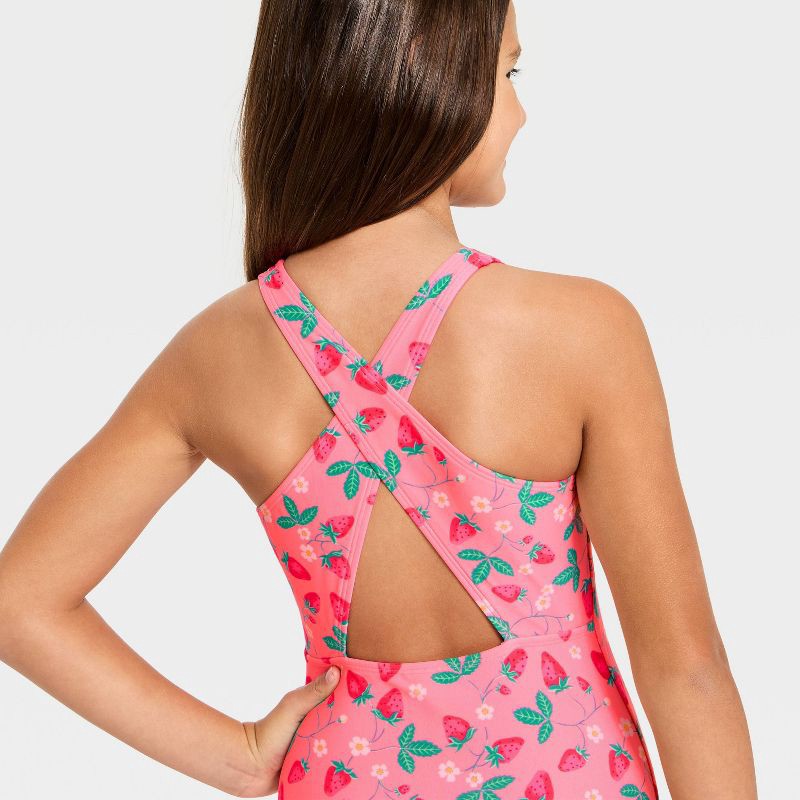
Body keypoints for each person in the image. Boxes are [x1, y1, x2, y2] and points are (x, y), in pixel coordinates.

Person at [0, 1, 757, 798]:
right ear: (428, 68)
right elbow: (687, 669)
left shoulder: (219, 354)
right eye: (509, 71)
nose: (522, 112)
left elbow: (19, 602)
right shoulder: (581, 330)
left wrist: (242, 754)